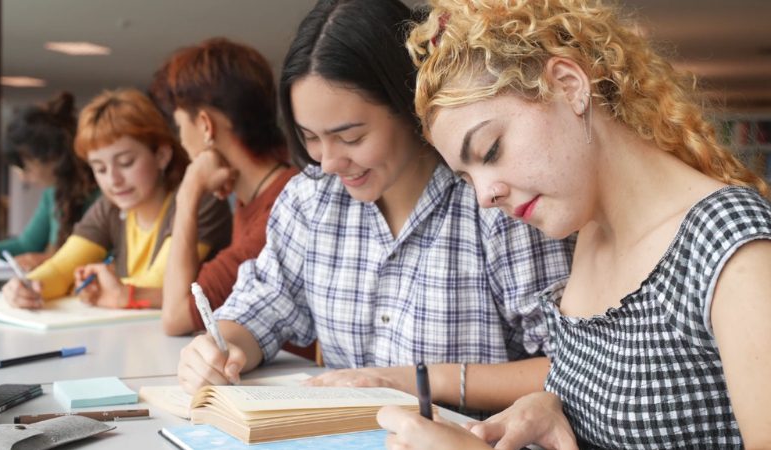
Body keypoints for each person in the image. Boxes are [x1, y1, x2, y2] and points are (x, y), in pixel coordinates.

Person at [378, 0, 771, 448]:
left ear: (569, 86)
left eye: (490, 151)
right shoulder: (591, 231)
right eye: (467, 178)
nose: (485, 197)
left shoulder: (732, 249)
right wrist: (552, 404)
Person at [177, 0, 573, 417]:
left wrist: (412, 380)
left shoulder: (496, 203)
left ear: (409, 105)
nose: (328, 162)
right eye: (309, 136)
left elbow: (569, 368)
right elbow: (264, 306)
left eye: (350, 137)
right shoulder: (311, 201)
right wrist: (219, 349)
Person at [2, 89, 231, 310]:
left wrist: (111, 289)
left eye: (126, 163)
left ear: (161, 155)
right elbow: (62, 268)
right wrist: (27, 285)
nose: (113, 180)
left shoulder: (199, 200)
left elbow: (161, 283)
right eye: (100, 169)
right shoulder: (109, 206)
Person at [150, 38, 298, 338]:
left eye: (180, 126)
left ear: (206, 126)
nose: (181, 140)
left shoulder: (282, 207)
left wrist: (189, 191)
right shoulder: (255, 197)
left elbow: (176, 316)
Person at [0, 92, 98, 270]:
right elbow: (25, 245)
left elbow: (106, 256)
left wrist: (48, 260)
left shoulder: (100, 194)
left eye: (26, 168)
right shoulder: (52, 194)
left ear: (52, 158)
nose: (23, 177)